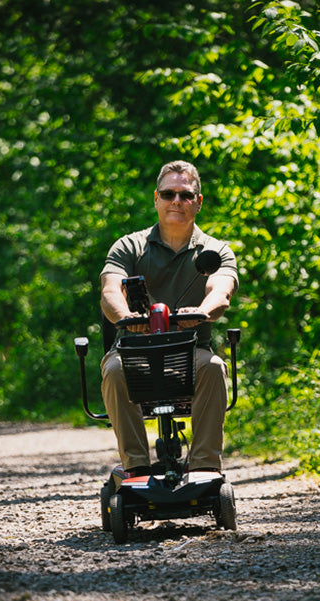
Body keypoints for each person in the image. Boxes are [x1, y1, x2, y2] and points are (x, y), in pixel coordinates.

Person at [100, 160, 238, 478]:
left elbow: (221, 291)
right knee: (115, 369)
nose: (177, 201)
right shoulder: (128, 247)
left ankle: (205, 467)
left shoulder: (215, 251)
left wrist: (203, 311)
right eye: (168, 193)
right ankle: (135, 467)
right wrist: (126, 317)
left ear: (198, 202)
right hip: (135, 351)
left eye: (186, 195)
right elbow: (110, 291)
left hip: (191, 350)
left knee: (215, 368)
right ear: (156, 199)